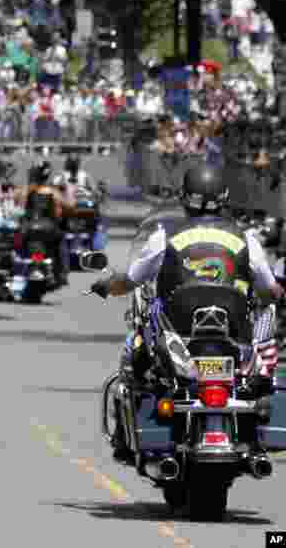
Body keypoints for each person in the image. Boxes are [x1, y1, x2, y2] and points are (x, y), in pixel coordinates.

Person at [91, 165, 284, 457]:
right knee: (262, 370)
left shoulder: (164, 237)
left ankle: (126, 437)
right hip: (234, 337)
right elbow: (269, 290)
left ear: (185, 198)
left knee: (136, 354)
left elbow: (131, 280)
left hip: (178, 338)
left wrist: (106, 286)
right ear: (224, 198)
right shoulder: (247, 240)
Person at [11, 161, 75, 285]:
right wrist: (68, 189)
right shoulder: (53, 192)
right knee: (61, 242)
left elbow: (17, 203)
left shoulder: (26, 191)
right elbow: (70, 206)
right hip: (48, 230)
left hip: (28, 229)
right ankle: (63, 273)